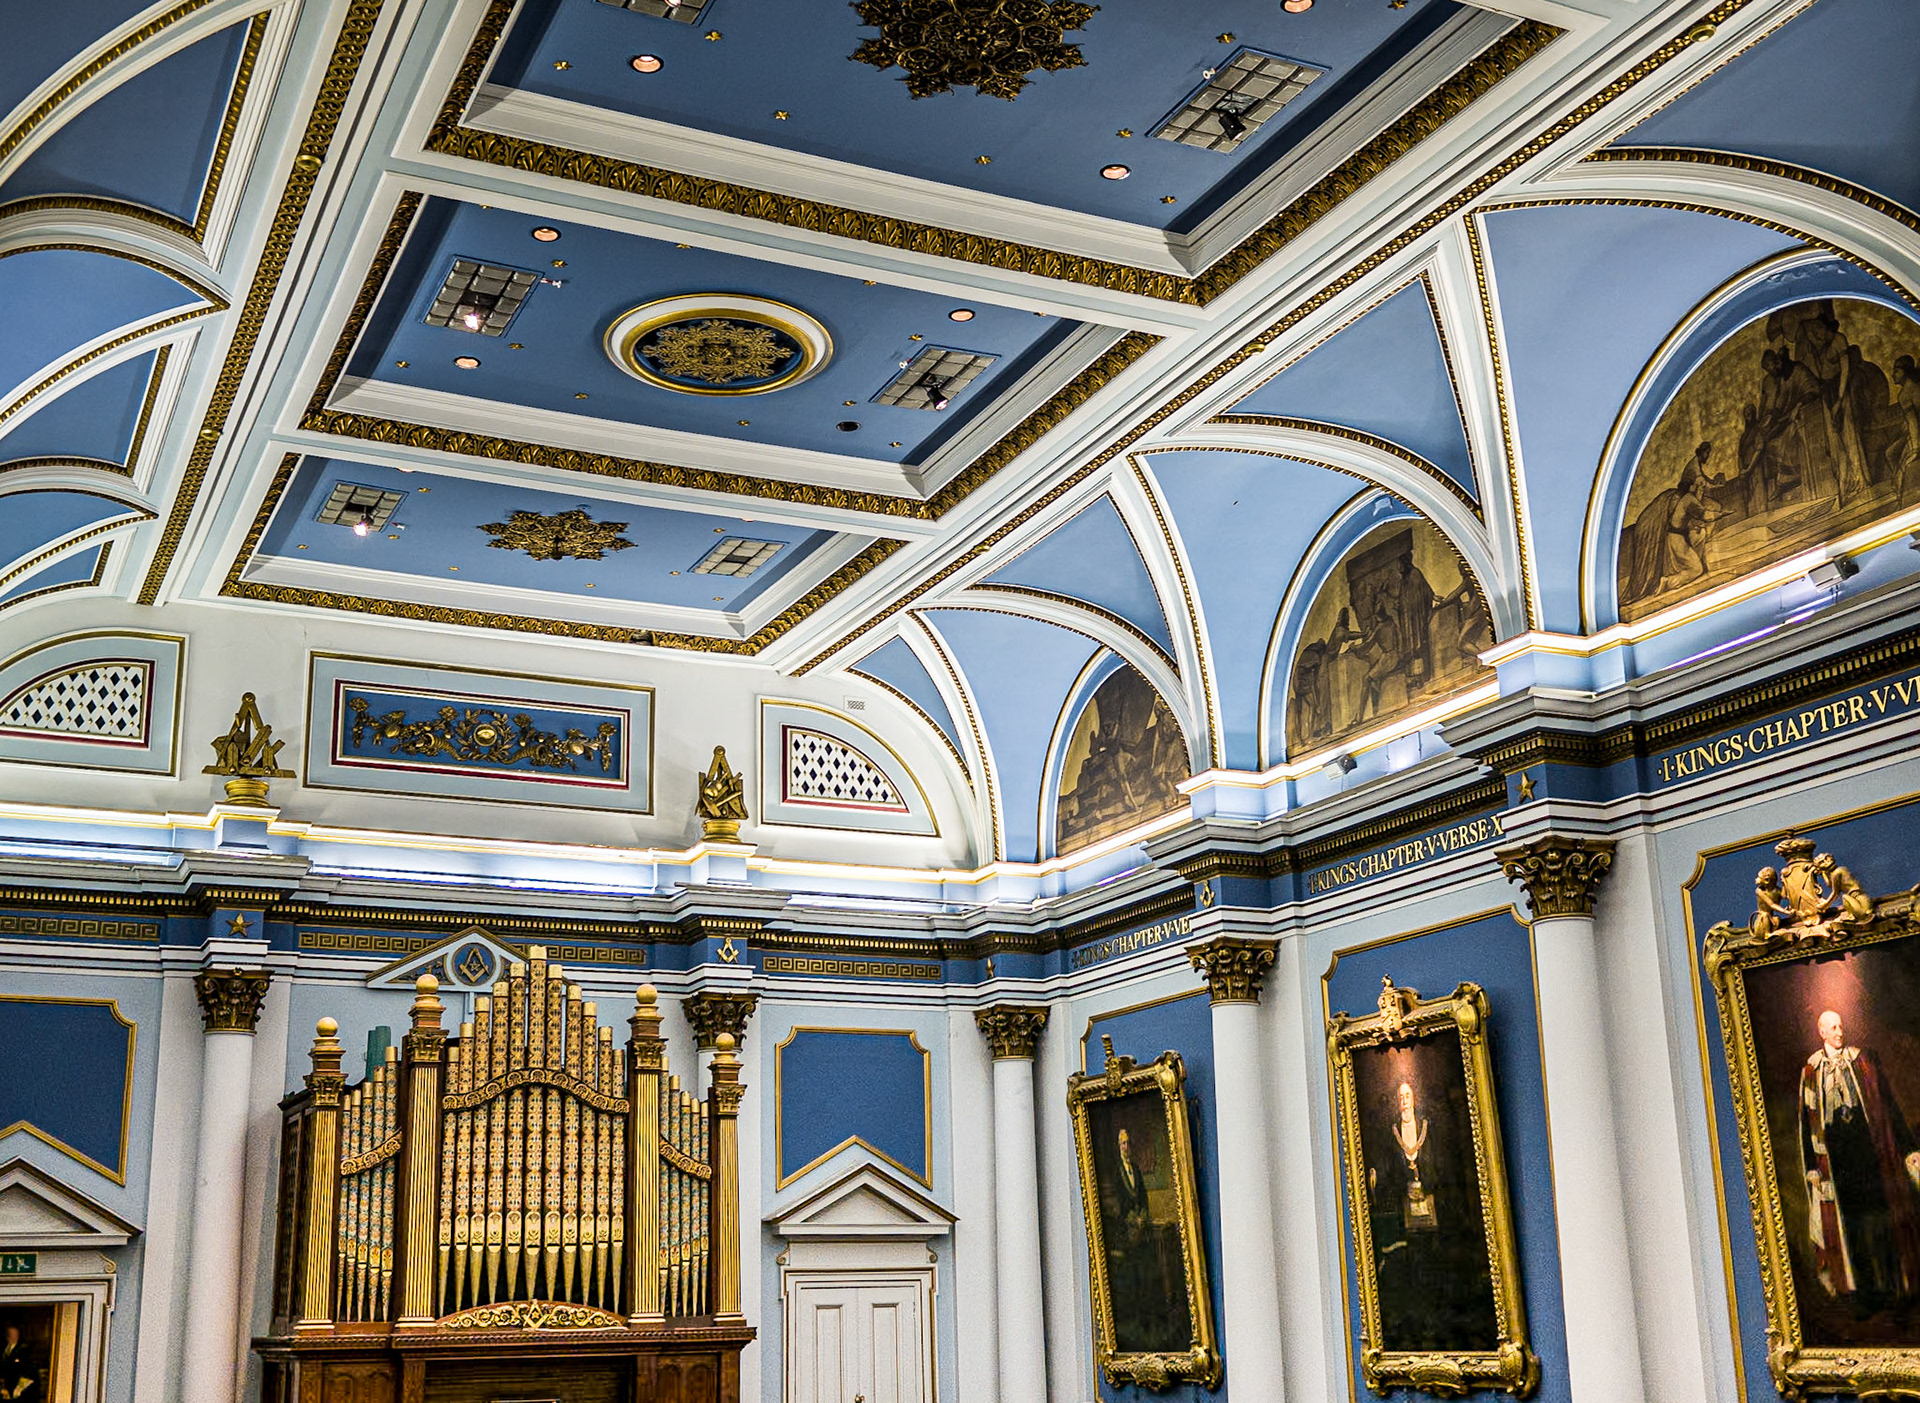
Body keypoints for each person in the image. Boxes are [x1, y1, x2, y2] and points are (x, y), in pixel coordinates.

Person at [1799, 1010, 1920, 1306]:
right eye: (1833, 1028)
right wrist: (1814, 1168)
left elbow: (1888, 1105)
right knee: (1851, 1229)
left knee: (1881, 1221)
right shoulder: (1812, 1072)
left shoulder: (1864, 1061)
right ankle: (1866, 1295)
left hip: (1869, 1153)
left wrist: (1909, 1147)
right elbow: (1806, 1122)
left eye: (1841, 1026)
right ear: (1822, 1033)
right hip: (1838, 1160)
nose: (1840, 1032)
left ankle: (1896, 1288)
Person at [0, 1324, 40, 1402]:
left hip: (16, 1388)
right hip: (5, 1388)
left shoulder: (23, 1350)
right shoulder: (4, 1348)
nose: (14, 1337)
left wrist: (18, 1389)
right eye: (11, 1335)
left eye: (16, 1335)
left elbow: (26, 1372)